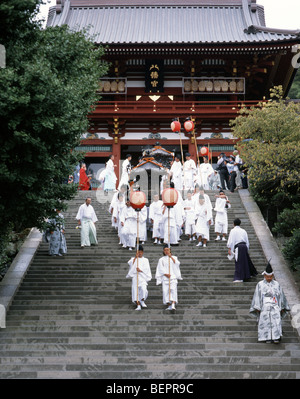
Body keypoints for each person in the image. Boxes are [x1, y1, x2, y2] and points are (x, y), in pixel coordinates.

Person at [250, 262, 290, 343]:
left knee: (276, 321)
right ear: (264, 276)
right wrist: (257, 307)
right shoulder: (260, 284)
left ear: (272, 276)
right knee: (265, 321)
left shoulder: (276, 284)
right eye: (267, 277)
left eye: (270, 277)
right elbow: (257, 296)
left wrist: (282, 306)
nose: (269, 278)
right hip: (264, 305)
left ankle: (276, 337)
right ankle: (266, 337)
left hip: (275, 305)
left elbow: (281, 295)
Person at [227, 218, 258, 282]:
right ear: (240, 224)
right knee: (245, 261)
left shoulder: (233, 231)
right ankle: (246, 275)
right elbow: (247, 240)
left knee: (239, 262)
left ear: (234, 224)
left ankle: (239, 277)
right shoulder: (243, 231)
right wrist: (247, 248)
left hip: (239, 247)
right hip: (244, 246)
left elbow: (231, 241)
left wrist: (230, 249)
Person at [155, 244, 182, 310]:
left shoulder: (174, 257)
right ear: (163, 251)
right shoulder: (161, 259)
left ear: (170, 250)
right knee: (166, 291)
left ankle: (173, 304)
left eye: (167, 250)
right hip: (165, 277)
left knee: (173, 290)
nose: (166, 251)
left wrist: (171, 257)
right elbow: (160, 268)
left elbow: (177, 264)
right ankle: (169, 304)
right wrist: (165, 274)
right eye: (165, 250)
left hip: (172, 277)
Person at [126, 245, 152, 311]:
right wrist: (135, 257)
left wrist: (141, 270)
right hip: (135, 277)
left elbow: (147, 269)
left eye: (140, 252)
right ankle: (138, 304)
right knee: (136, 291)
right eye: (138, 252)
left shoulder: (146, 260)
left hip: (142, 276)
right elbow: (131, 264)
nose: (139, 253)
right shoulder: (133, 259)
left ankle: (142, 300)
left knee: (143, 289)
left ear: (142, 252)